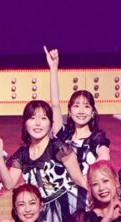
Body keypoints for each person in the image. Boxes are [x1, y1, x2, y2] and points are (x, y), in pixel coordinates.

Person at [0, 100, 86, 222]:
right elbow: (9, 184)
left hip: (67, 206)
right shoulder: (22, 154)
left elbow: (79, 179)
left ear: (50, 123)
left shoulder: (58, 147)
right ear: (25, 123)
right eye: (32, 118)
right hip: (40, 210)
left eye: (43, 118)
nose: (37, 123)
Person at [45, 46, 110, 210]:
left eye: (86, 106)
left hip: (87, 201)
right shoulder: (63, 135)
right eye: (76, 106)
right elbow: (54, 104)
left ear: (93, 113)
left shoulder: (97, 138)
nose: (81, 111)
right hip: (61, 202)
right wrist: (53, 69)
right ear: (69, 111)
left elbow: (104, 158)